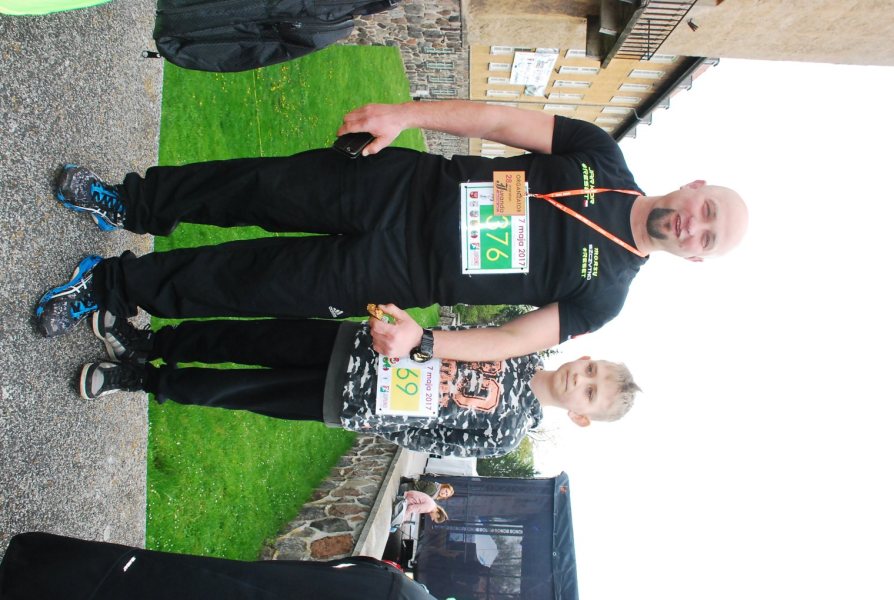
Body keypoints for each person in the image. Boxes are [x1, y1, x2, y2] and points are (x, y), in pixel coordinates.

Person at [35, 99, 749, 361]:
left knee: (247, 281)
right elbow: (501, 122)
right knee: (253, 186)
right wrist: (406, 115)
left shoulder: (608, 294)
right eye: (708, 210)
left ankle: (108, 286)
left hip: (394, 275)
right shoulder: (601, 155)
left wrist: (423, 342)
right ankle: (127, 203)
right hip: (401, 184)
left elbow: (511, 339)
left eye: (707, 239)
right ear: (695, 185)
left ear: (696, 259)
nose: (695, 226)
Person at [75, 308, 641, 458]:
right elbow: (447, 333)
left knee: (233, 390)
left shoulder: (506, 435)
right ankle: (148, 343)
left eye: (590, 393)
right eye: (592, 370)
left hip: (347, 401)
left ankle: (138, 378)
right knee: (243, 339)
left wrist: (377, 413)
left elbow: (428, 440)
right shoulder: (520, 344)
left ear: (581, 415)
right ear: (585, 356)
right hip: (351, 347)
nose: (581, 380)